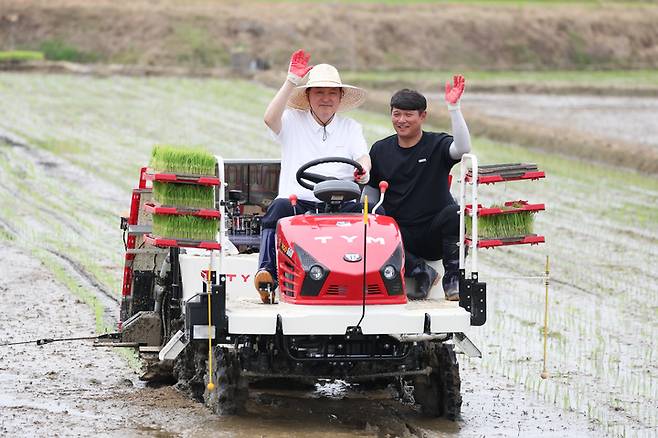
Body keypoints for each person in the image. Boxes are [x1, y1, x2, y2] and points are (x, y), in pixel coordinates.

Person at [255, 49, 371, 303]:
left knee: (376, 214)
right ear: (308, 96)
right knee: (278, 208)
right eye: (319, 92)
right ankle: (267, 272)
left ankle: (375, 278)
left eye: (332, 93)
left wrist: (364, 170)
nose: (326, 99)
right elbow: (269, 118)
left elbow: (363, 157)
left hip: (342, 203)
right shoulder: (291, 120)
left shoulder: (351, 128)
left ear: (340, 98)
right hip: (299, 202)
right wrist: (291, 81)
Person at [367, 76, 472, 301]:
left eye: (408, 114)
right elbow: (372, 193)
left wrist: (454, 108)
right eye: (396, 114)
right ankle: (420, 272)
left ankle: (453, 280)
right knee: (371, 219)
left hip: (433, 233)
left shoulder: (437, 144)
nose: (402, 120)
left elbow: (463, 148)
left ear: (422, 116)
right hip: (399, 237)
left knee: (455, 213)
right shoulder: (380, 150)